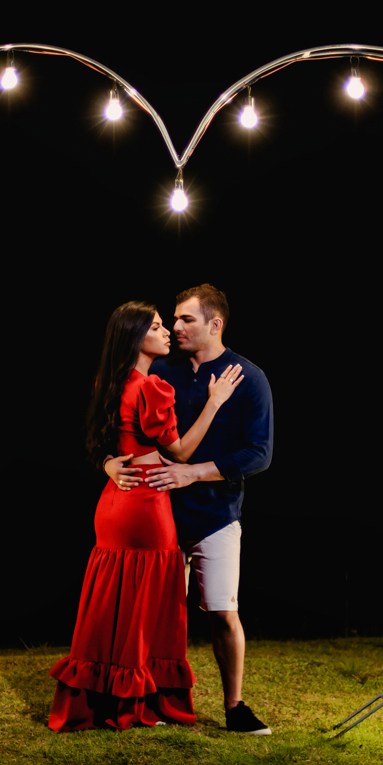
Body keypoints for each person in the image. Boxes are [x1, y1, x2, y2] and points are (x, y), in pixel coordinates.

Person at [48, 300, 244, 732]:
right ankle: (135, 703)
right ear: (137, 337)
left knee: (113, 601)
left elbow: (107, 444)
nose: (166, 331)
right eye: (157, 326)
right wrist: (214, 402)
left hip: (113, 505)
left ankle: (101, 696)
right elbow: (180, 453)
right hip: (146, 505)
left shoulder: (110, 382)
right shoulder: (153, 388)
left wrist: (108, 465)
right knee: (145, 604)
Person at [104, 284, 274, 736]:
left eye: (186, 320)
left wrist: (193, 473)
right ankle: (150, 702)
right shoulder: (165, 372)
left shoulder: (249, 377)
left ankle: (235, 707)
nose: (175, 327)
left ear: (215, 324)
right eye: (173, 320)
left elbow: (259, 454)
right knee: (156, 618)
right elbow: (124, 429)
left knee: (222, 611)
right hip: (158, 514)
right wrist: (109, 462)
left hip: (217, 514)